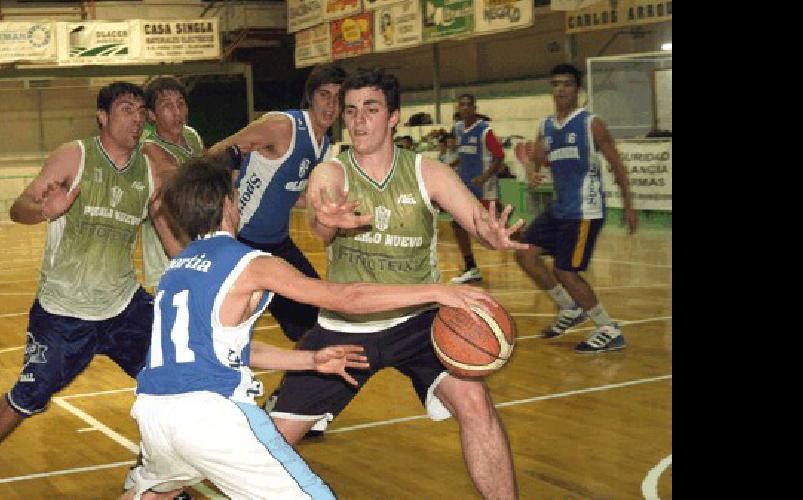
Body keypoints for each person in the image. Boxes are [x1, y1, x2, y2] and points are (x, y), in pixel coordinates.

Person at [119, 156, 497, 500]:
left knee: (152, 494)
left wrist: (312, 360)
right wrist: (438, 291)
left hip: (154, 414)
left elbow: (227, 349)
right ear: (227, 204)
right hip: (213, 414)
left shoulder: (177, 268)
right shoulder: (250, 263)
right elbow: (345, 297)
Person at [268, 68, 528, 499]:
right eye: (350, 111)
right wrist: (325, 217)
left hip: (419, 325)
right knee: (272, 441)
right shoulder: (334, 169)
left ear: (394, 118)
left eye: (371, 109)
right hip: (347, 329)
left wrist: (492, 235)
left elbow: (478, 221)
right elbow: (322, 206)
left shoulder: (428, 173)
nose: (358, 120)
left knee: (476, 404)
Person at [0, 82, 182, 500]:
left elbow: (164, 229)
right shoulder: (77, 155)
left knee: (171, 379)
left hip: (124, 304)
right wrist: (43, 210)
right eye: (126, 109)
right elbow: (19, 208)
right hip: (64, 310)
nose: (137, 118)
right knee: (28, 397)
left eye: (141, 111)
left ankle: (148, 470)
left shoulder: (149, 169)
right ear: (102, 117)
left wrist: (198, 268)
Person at [206, 64, 346, 436]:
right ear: (310, 97)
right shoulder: (283, 126)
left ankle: (288, 403)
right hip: (241, 245)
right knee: (223, 334)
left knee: (320, 324)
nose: (330, 105)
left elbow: (289, 191)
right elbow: (217, 153)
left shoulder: (326, 145)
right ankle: (210, 413)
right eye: (324, 95)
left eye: (337, 97)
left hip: (276, 246)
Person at [513, 63, 638, 354]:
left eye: (567, 84)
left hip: (585, 210)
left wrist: (629, 205)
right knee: (526, 255)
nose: (561, 89)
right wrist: (532, 170)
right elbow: (540, 158)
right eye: (556, 84)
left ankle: (608, 328)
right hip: (559, 208)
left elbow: (616, 164)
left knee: (566, 271)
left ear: (577, 89)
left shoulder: (590, 123)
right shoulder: (546, 125)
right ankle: (570, 308)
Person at [138, 76, 205, 290]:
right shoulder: (149, 148)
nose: (177, 112)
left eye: (181, 104)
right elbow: (180, 181)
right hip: (165, 252)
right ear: (151, 115)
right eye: (167, 106)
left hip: (197, 241)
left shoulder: (191, 135)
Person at [450, 94, 507, 285]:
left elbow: (499, 156)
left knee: (497, 230)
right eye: (462, 104)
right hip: (465, 187)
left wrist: (484, 177)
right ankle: (471, 267)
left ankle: (533, 245)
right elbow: (464, 154)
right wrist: (452, 165)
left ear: (475, 107)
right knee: (457, 224)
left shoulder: (484, 130)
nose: (465, 108)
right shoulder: (458, 128)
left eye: (468, 105)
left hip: (484, 189)